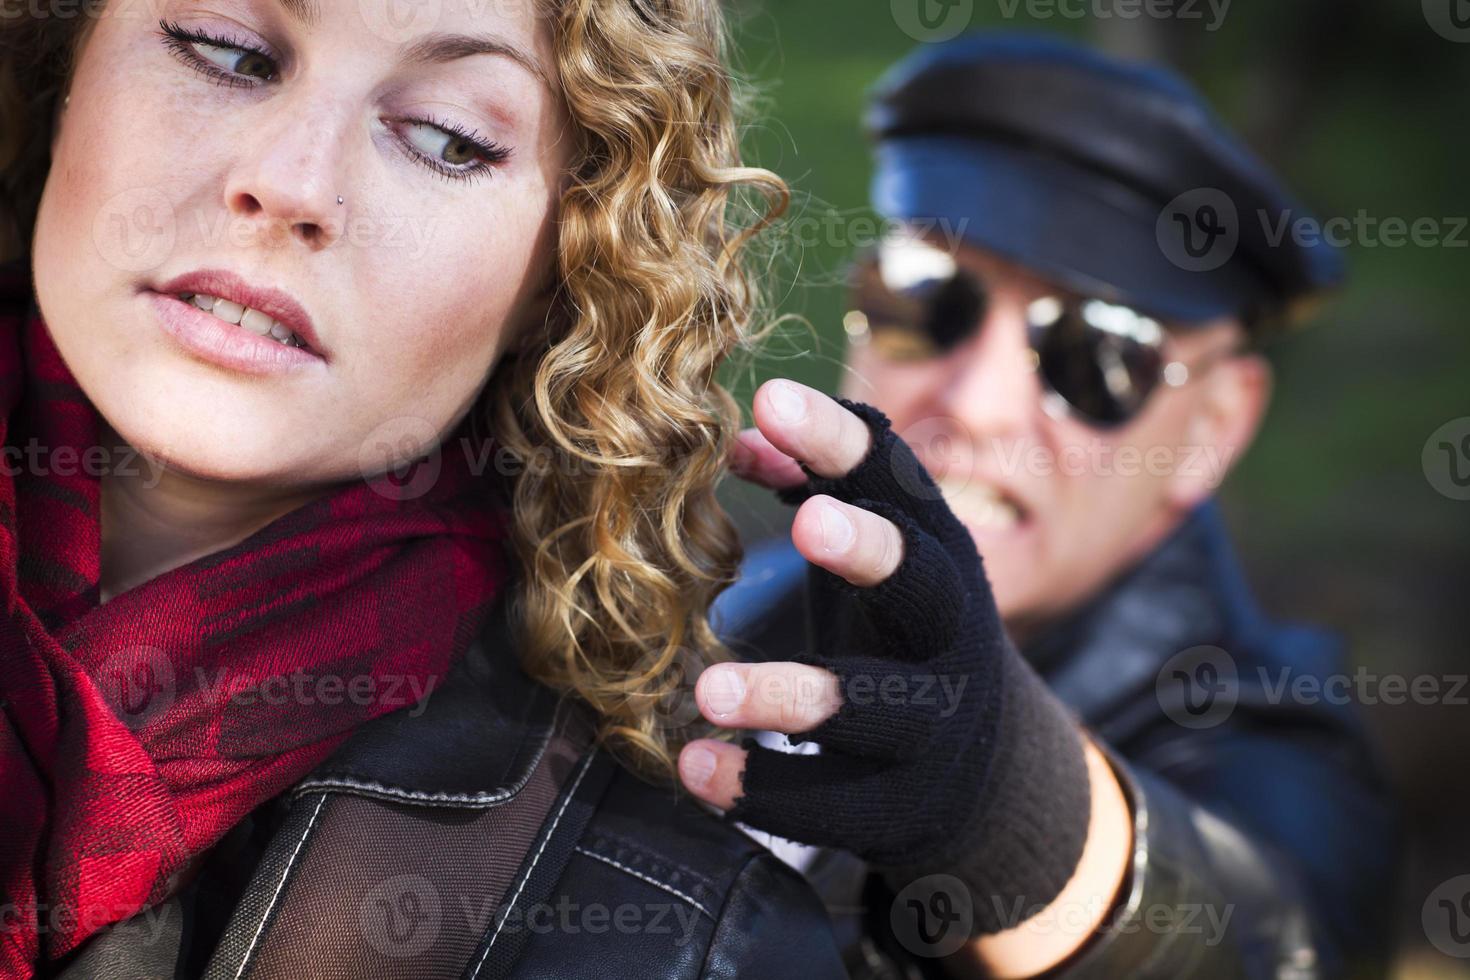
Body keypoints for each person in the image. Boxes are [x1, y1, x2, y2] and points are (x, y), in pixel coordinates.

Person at [0, 0, 858, 976]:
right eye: (227, 51)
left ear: (570, 260)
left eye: (449, 138)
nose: (288, 184)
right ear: (60, 62)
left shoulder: (687, 941)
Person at [679, 33, 1401, 979]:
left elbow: (1276, 934)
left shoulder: (1275, 747)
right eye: (926, 298)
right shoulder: (734, 596)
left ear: (1215, 426)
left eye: (1096, 352)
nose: (974, 403)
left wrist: (1016, 814)